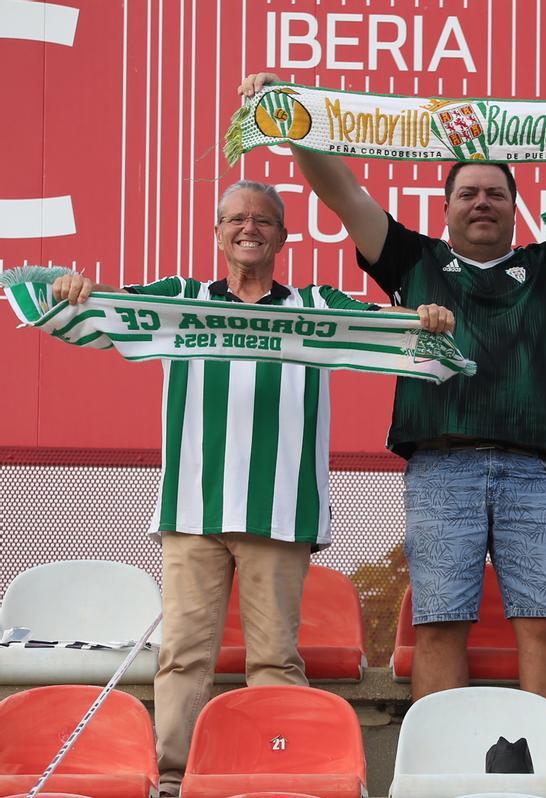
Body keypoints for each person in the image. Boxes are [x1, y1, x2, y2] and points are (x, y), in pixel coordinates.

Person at [50, 180, 453, 797]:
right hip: (193, 507)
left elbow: (392, 331)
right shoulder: (179, 299)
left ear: (283, 237)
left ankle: (273, 773)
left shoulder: (317, 305)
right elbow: (97, 316)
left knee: (274, 660)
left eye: (262, 219)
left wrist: (424, 317)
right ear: (217, 233)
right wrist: (72, 293)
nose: (249, 227)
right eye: (235, 218)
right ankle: (173, 776)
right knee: (183, 655)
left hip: (279, 509)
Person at [237, 73, 546, 725]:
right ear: (446, 208)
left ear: (513, 206)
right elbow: (341, 191)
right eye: (468, 193)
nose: (482, 202)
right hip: (441, 470)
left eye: (495, 193)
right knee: (438, 627)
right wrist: (290, 120)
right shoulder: (411, 259)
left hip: (538, 473)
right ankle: (436, 771)